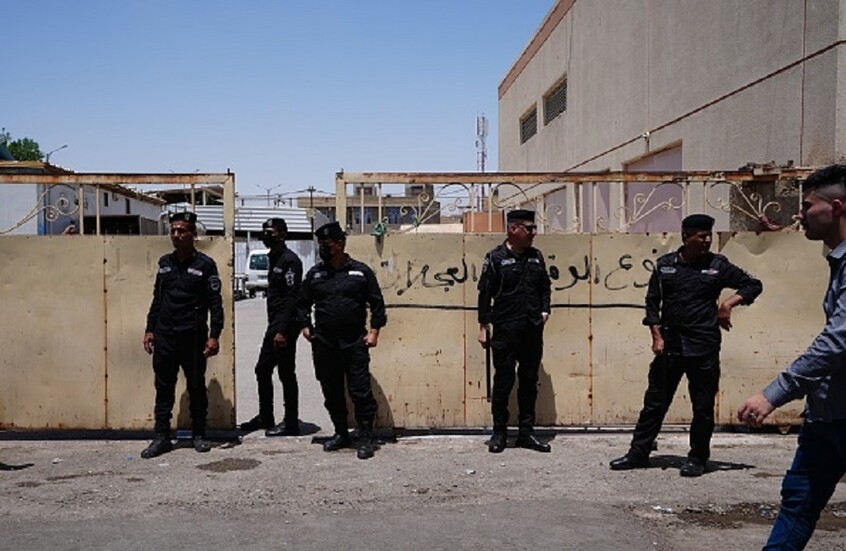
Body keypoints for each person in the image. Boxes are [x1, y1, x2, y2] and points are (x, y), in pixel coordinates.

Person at [738, 164, 846, 549]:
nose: (800, 215)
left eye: (807, 205)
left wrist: (774, 394)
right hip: (826, 413)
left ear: (837, 207)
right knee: (798, 501)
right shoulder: (838, 261)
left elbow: (838, 340)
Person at [610, 213, 762, 476]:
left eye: (709, 236)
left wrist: (728, 304)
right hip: (670, 347)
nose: (707, 241)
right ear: (686, 237)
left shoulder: (718, 265)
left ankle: (697, 458)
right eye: (701, 236)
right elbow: (652, 303)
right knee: (655, 403)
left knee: (702, 406)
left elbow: (753, 285)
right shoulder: (665, 266)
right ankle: (638, 453)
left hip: (703, 346)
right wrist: (656, 336)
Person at [297, 221, 386, 460]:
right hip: (324, 343)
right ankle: (341, 433)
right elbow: (302, 303)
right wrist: (305, 326)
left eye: (326, 244)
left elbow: (377, 303)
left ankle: (365, 438)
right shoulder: (315, 274)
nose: (322, 248)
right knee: (331, 390)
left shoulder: (361, 272)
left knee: (360, 391)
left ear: (339, 244)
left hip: (354, 341)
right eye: (320, 244)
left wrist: (374, 332)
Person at [141, 211, 224, 458]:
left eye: (182, 231)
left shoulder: (205, 265)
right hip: (165, 335)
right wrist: (150, 329)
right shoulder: (164, 263)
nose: (176, 235)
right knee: (163, 387)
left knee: (196, 386)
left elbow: (215, 303)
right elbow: (157, 299)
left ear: (193, 235)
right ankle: (161, 437)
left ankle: (199, 434)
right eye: (173, 230)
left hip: (193, 336)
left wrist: (214, 335)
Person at [477, 209, 552, 453]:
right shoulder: (495, 258)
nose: (534, 233)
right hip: (505, 329)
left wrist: (545, 311)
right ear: (513, 229)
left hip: (532, 328)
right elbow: (485, 294)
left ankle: (526, 433)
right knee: (503, 381)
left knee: (529, 381)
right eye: (529, 228)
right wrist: (483, 326)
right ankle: (499, 433)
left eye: (534, 228)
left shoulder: (536, 256)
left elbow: (545, 287)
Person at [240, 218, 304, 436]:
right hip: (275, 322)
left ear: (283, 235)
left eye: (271, 232)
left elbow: (292, 298)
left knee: (285, 372)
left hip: (284, 325)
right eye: (265, 231)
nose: (266, 235)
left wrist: (282, 330)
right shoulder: (274, 258)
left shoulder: (290, 260)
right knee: (263, 369)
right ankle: (266, 416)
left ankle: (291, 422)